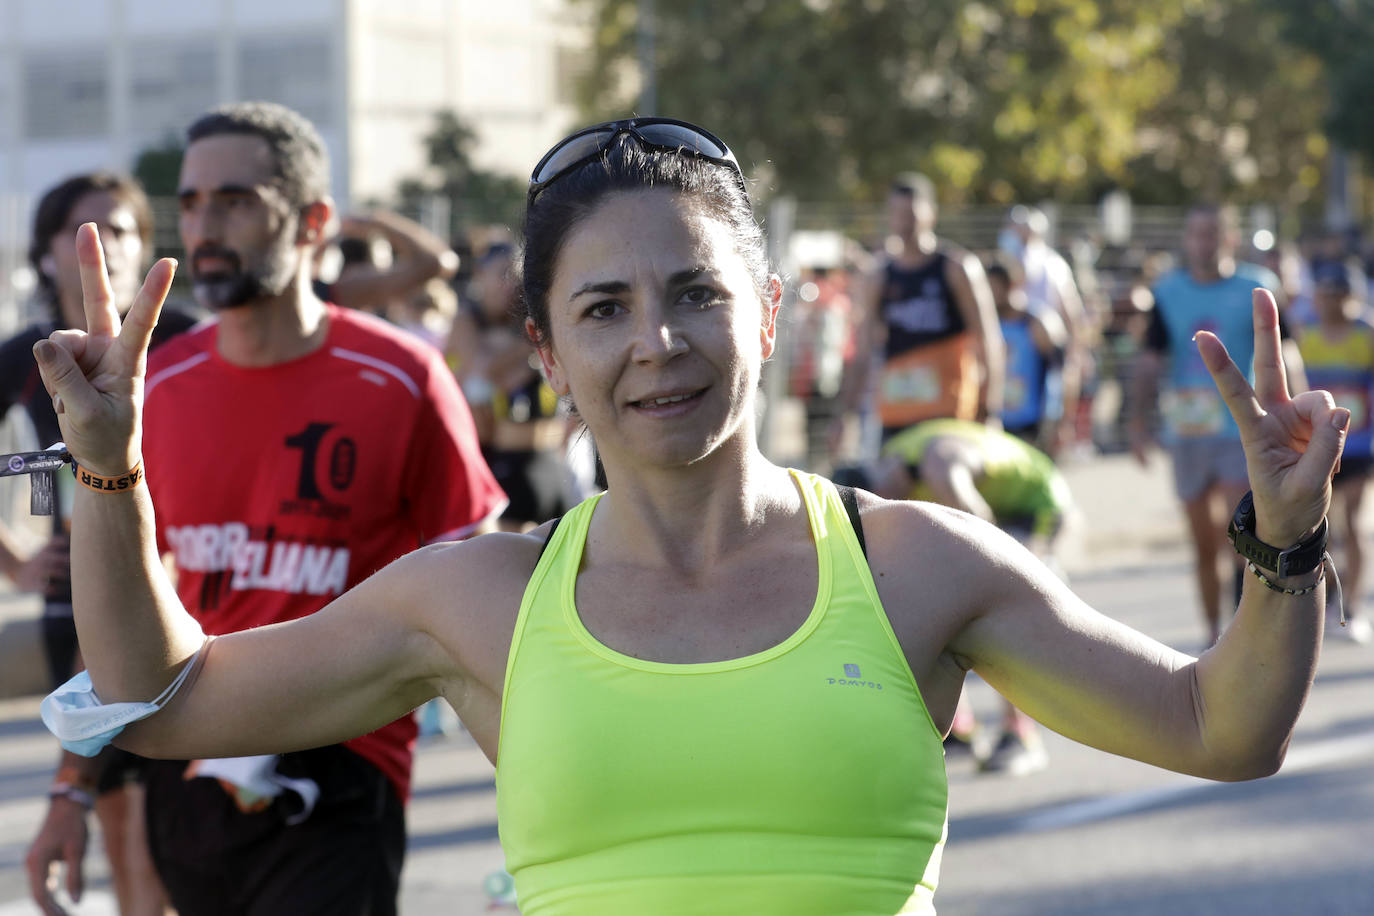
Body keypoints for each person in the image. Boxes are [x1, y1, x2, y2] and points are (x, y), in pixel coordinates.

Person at [35, 117, 1347, 915]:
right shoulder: (477, 600)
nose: (656, 343)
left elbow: (1214, 729)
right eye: (602, 309)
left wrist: (1282, 545)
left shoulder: (914, 565)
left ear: (768, 313)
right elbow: (165, 696)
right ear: (546, 351)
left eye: (696, 294)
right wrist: (109, 468)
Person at [49, 102, 504, 915]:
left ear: (314, 221)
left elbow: (487, 591)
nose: (205, 225)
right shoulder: (150, 391)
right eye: (189, 204)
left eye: (234, 199)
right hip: (185, 761)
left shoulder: (402, 377)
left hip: (340, 764)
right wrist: (72, 789)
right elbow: (120, 605)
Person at [4, 172, 201, 916]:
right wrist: (18, 561)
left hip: (187, 594)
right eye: (85, 230)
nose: (109, 244)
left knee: (178, 825)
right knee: (116, 817)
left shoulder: (186, 334)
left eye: (123, 229)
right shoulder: (25, 353)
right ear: (48, 251)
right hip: (79, 602)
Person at [1129, 204, 1306, 646]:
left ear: (1229, 238)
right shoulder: (1167, 291)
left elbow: (1289, 353)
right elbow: (1150, 360)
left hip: (1241, 430)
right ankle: (1212, 635)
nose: (1202, 243)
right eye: (1195, 234)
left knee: (1241, 538)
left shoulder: (1258, 286)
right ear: (1186, 240)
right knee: (1202, 544)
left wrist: (1301, 416)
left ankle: (1243, 631)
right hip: (1188, 433)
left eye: (1211, 234)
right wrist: (1136, 420)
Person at [860, 417, 1072, 774]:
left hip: (1036, 504)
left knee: (1000, 608)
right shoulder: (890, 468)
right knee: (926, 603)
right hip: (986, 504)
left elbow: (984, 535)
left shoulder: (939, 467)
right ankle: (959, 728)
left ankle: (1020, 734)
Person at [842, 173, 1004, 450]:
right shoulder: (880, 276)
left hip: (949, 413)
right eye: (897, 213)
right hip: (898, 414)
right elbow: (864, 350)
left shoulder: (956, 268)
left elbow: (988, 338)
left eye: (911, 213)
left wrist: (990, 409)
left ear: (931, 214)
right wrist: (844, 415)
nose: (904, 222)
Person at [446, 242, 574, 530]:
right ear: (479, 274)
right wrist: (530, 344)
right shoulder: (468, 320)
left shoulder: (520, 323)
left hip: (551, 461)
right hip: (501, 462)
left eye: (517, 276)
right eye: (503, 274)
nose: (511, 284)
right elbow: (482, 369)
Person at [1296, 262, 1374, 644]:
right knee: (1319, 528)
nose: (1330, 302)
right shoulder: (1304, 336)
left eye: (1337, 295)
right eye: (1324, 294)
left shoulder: (1367, 335)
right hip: (1315, 446)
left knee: (1353, 523)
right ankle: (1324, 604)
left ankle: (1354, 606)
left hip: (1359, 446)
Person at [999, 205, 1088, 453]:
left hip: (1044, 348)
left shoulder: (1052, 264)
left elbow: (1070, 310)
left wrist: (1075, 351)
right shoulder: (1006, 259)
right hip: (1009, 350)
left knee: (1046, 415)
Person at [986, 255, 1067, 451]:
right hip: (995, 419)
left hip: (1031, 423)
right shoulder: (986, 324)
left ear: (1011, 285)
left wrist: (1059, 419)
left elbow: (1059, 372)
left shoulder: (1036, 322)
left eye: (994, 286)